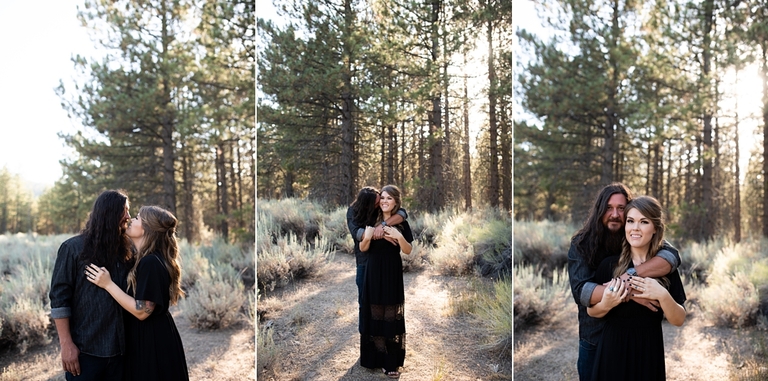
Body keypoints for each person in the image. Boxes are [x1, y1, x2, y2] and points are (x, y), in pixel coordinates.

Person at [567, 183, 681, 381]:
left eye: (621, 209)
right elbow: (582, 293)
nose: (615, 214)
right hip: (595, 336)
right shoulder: (582, 244)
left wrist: (630, 278)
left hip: (646, 344)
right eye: (609, 208)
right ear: (599, 210)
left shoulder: (633, 233)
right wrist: (632, 290)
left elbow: (672, 256)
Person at [85, 205, 189, 381]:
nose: (131, 219)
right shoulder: (144, 259)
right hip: (150, 336)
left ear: (147, 228)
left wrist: (108, 284)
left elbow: (142, 311)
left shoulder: (151, 262)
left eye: (138, 218)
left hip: (152, 340)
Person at [49, 189, 133, 380]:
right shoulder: (72, 248)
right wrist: (66, 344)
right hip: (85, 353)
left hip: (122, 353)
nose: (128, 216)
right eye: (125, 211)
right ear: (109, 213)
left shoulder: (126, 251)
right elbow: (59, 300)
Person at [358, 184, 413, 379]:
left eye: (389, 198)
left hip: (392, 270)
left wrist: (398, 236)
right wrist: (369, 236)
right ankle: (378, 358)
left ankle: (391, 361)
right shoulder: (371, 218)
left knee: (390, 313)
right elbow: (363, 248)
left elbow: (408, 250)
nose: (384, 201)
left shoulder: (401, 223)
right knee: (375, 312)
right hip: (373, 270)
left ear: (396, 202)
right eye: (382, 198)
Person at [347, 186, 407, 332]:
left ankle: (384, 341)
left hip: (382, 263)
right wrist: (383, 234)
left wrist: (383, 225)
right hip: (364, 263)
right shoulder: (352, 212)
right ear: (367, 204)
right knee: (365, 304)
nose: (380, 204)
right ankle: (366, 340)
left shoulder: (379, 208)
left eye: (380, 199)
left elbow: (402, 213)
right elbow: (358, 233)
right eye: (376, 203)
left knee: (384, 304)